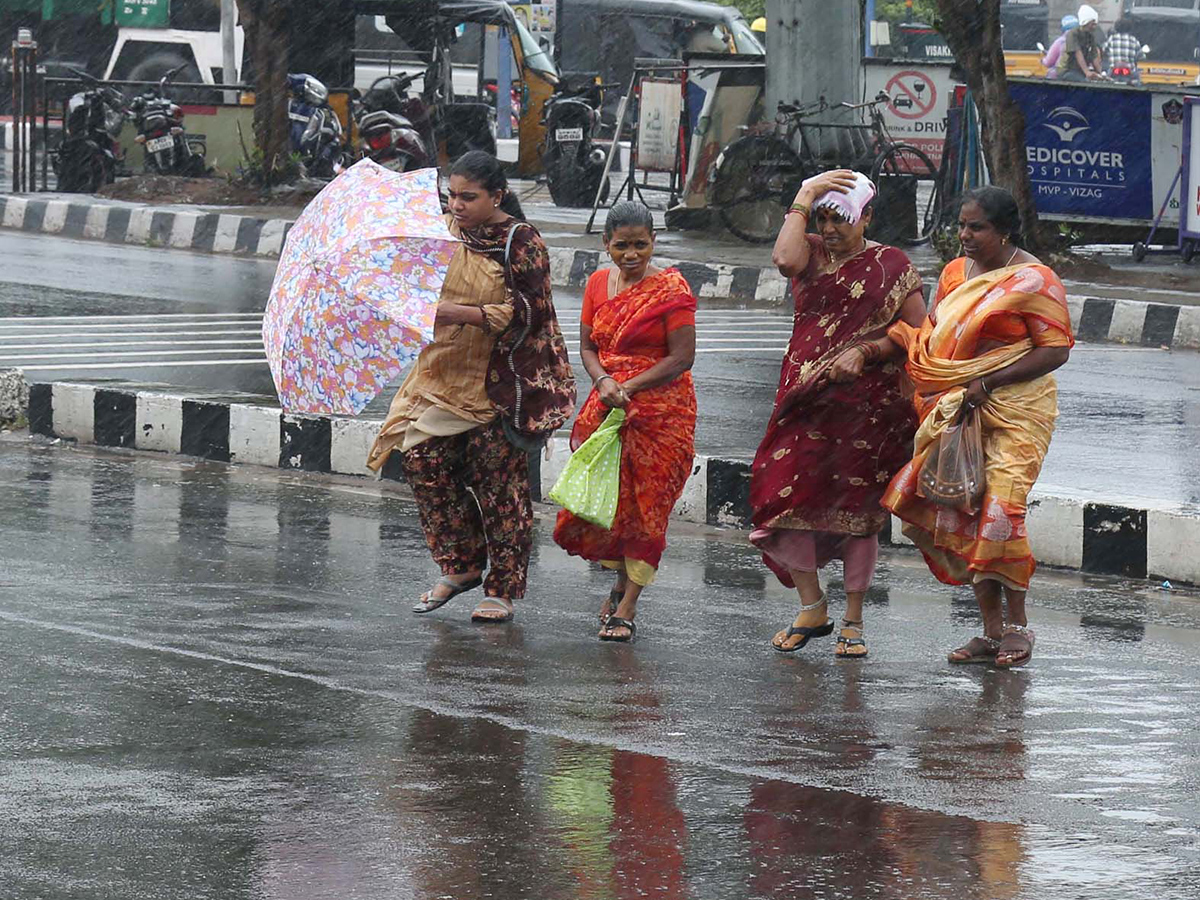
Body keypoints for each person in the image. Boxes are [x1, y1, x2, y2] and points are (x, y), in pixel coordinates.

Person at [367, 151, 576, 624]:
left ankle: (502, 589)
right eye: (450, 196)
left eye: (468, 197)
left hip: (502, 383)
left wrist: (458, 313)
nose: (456, 206)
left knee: (501, 487)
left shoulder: (520, 242)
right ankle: (462, 566)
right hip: (443, 376)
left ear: (496, 197)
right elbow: (416, 285)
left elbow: (531, 314)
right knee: (423, 461)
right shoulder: (441, 233)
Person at [882, 186, 1073, 669]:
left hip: (1018, 408)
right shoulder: (953, 273)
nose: (964, 235)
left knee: (1002, 512)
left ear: (1004, 230)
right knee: (968, 511)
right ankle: (990, 632)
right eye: (961, 225)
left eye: (976, 227)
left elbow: (1055, 350)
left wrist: (989, 381)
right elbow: (939, 338)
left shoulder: (1036, 280)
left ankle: (1018, 629)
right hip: (959, 405)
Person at [750, 170, 926, 658]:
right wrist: (804, 193)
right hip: (804, 399)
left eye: (840, 219)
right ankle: (813, 604)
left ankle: (853, 619)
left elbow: (918, 331)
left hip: (869, 411)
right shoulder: (809, 253)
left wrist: (868, 351)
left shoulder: (892, 265)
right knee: (777, 492)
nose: (827, 229)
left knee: (857, 514)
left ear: (866, 216)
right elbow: (783, 258)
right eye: (821, 218)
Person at [553, 201, 698, 643]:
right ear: (606, 245)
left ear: (653, 242)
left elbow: (682, 357)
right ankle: (620, 581)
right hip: (609, 407)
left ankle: (629, 604)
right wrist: (602, 381)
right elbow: (588, 348)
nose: (631, 254)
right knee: (615, 506)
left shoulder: (670, 289)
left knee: (650, 507)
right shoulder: (598, 283)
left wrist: (630, 386)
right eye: (622, 246)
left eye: (640, 245)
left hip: (663, 412)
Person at [1058, 4, 1103, 81]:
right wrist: (1087, 72)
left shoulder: (1090, 36)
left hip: (1080, 71)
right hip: (1068, 71)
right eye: (1092, 24)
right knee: (1084, 83)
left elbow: (1094, 55)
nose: (1094, 27)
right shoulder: (1073, 34)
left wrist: (1100, 74)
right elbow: (1078, 53)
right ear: (1086, 22)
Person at [1041, 14, 1079, 79]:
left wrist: (1042, 60)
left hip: (1059, 77)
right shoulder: (1083, 41)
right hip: (1078, 76)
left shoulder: (1060, 42)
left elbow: (1049, 62)